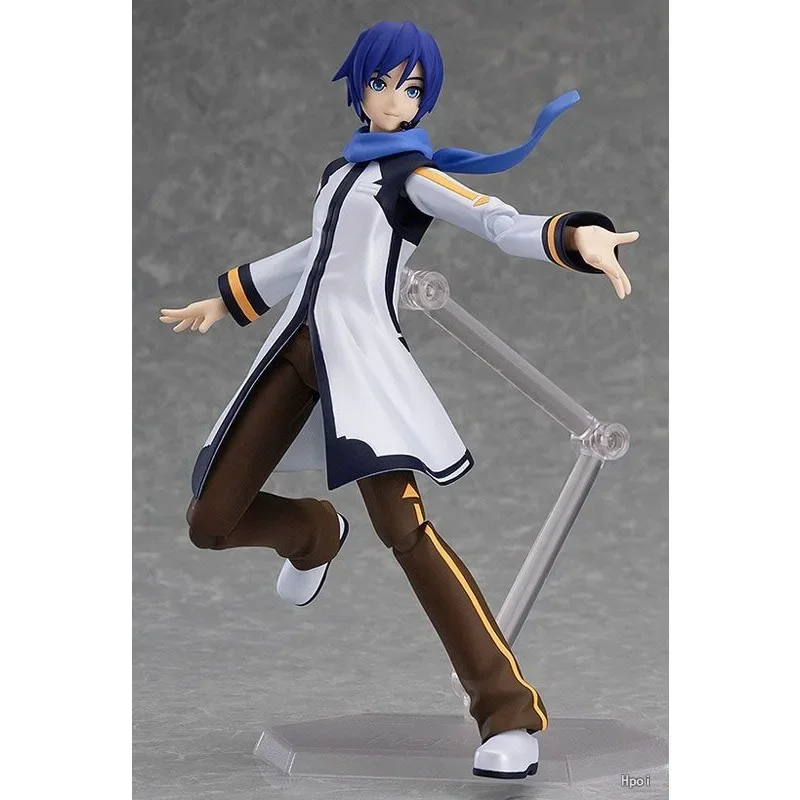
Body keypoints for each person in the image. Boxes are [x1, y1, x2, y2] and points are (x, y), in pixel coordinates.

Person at [160, 20, 638, 780]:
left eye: (410, 88)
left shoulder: (414, 177)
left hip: (360, 364)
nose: (394, 99)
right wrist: (231, 296)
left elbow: (493, 218)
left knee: (405, 531)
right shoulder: (341, 171)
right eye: (381, 84)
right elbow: (315, 253)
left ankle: (507, 711)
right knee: (210, 522)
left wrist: (574, 237)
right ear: (358, 89)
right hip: (295, 347)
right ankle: (313, 532)